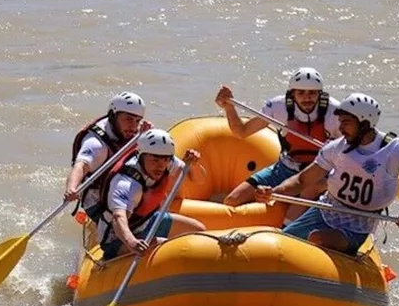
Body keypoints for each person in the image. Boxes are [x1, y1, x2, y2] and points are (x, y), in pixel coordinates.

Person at [255, 93, 399, 256]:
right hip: (325, 209)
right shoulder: (336, 147)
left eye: (346, 122)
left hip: (358, 222)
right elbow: (302, 180)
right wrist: (273, 191)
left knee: (317, 238)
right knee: (281, 243)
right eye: (340, 121)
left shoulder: (394, 151)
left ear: (364, 123)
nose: (341, 127)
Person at [214, 67, 341, 220]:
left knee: (295, 212)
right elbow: (241, 131)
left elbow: (350, 150)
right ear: (292, 94)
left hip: (318, 173)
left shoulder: (335, 113)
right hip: (286, 168)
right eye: (301, 93)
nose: (307, 98)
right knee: (232, 200)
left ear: (320, 94)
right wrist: (229, 107)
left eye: (312, 93)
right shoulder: (278, 107)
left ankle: (289, 224)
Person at [96, 129, 207, 260]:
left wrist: (194, 165)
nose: (160, 166)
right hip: (116, 239)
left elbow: (199, 180)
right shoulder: (126, 183)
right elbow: (118, 217)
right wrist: (132, 242)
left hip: (147, 222)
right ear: (141, 156)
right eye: (155, 160)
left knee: (198, 230)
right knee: (167, 246)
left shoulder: (166, 162)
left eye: (165, 160)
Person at [63, 91, 152, 223]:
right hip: (97, 202)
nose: (133, 126)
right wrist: (71, 188)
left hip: (120, 190)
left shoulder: (136, 132)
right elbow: (81, 166)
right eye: (128, 119)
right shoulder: (96, 145)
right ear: (113, 116)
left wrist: (148, 137)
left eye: (137, 120)